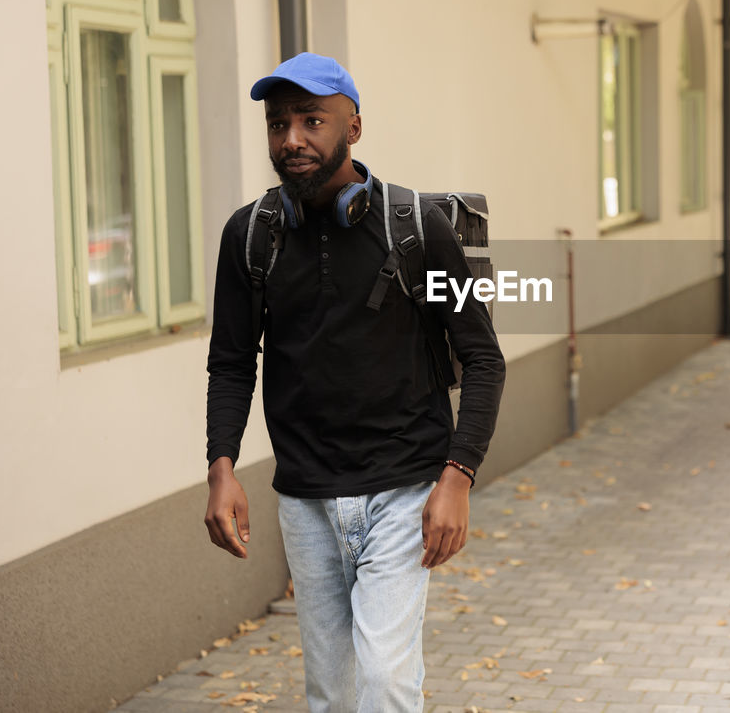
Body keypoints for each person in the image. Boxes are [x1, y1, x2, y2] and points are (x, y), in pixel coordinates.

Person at [203, 51, 505, 712]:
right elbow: (231, 359)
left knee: (387, 681)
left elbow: (483, 357)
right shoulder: (251, 237)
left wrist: (457, 477)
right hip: (306, 496)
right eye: (279, 124)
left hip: (401, 489)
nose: (292, 139)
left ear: (354, 127)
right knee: (331, 693)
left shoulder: (418, 229)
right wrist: (221, 465)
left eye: (312, 120)